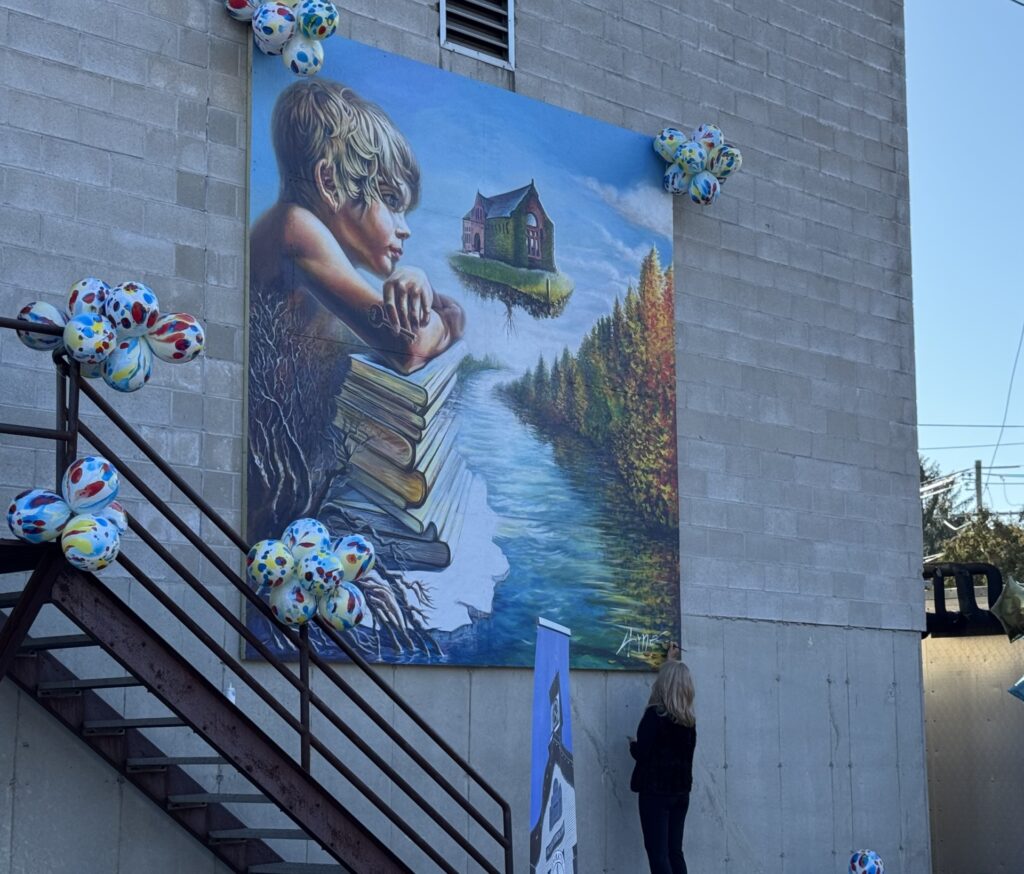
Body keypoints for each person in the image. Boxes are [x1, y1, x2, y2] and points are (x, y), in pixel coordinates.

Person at [249, 77, 465, 375]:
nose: (405, 229)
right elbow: (408, 346)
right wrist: (450, 318)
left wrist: (427, 295)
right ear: (329, 183)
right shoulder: (294, 226)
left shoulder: (311, 260)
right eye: (391, 201)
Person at [629, 643, 696, 874]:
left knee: (658, 855)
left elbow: (643, 754)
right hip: (680, 794)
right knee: (675, 852)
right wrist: (671, 660)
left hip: (656, 794)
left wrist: (632, 746)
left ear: (663, 684)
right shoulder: (688, 721)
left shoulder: (654, 715)